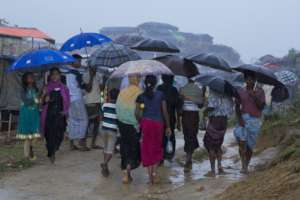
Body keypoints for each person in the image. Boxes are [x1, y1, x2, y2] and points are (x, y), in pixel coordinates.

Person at [136, 75, 171, 185]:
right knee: (156, 147)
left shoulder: (141, 97)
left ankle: (149, 176)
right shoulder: (160, 95)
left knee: (147, 148)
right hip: (158, 124)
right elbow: (165, 112)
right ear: (155, 83)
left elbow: (138, 113)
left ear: (145, 83)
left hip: (146, 124)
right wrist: (168, 126)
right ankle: (155, 174)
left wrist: (140, 121)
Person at [234, 72, 266, 174]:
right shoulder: (240, 91)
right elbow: (237, 107)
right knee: (241, 143)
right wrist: (240, 119)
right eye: (247, 79)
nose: (249, 81)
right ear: (245, 80)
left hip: (254, 121)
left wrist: (254, 96)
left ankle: (246, 165)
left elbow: (261, 107)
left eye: (251, 79)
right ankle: (243, 166)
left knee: (250, 146)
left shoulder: (260, 91)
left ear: (255, 80)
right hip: (243, 119)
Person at [116, 76, 142, 184]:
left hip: (122, 124)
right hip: (133, 125)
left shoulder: (122, 92)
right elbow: (140, 111)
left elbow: (117, 107)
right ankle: (127, 173)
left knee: (125, 147)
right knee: (133, 149)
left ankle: (126, 174)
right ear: (138, 79)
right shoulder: (140, 92)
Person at [65, 54, 93, 151]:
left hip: (70, 99)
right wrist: (90, 78)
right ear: (73, 61)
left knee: (73, 120)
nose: (80, 63)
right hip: (77, 98)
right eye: (79, 61)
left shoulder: (67, 73)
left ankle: (71, 143)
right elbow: (83, 86)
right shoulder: (76, 73)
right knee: (84, 120)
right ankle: (81, 142)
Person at [41, 68, 70, 163]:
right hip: (49, 115)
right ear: (50, 76)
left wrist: (65, 111)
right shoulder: (46, 87)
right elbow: (41, 102)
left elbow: (67, 102)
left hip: (60, 115)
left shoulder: (64, 88)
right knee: (49, 135)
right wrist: (45, 97)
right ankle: (51, 152)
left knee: (59, 135)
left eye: (57, 74)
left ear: (60, 75)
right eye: (53, 74)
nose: (55, 76)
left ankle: (55, 148)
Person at [203, 89, 234, 177]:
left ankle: (213, 171)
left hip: (214, 120)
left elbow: (212, 106)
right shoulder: (228, 94)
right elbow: (231, 110)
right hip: (223, 121)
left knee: (210, 145)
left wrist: (205, 111)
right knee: (218, 145)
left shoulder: (213, 92)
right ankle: (220, 167)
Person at [179, 79, 204, 172]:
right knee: (191, 136)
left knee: (188, 136)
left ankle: (188, 158)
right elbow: (201, 105)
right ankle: (188, 158)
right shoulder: (198, 89)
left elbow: (180, 105)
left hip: (187, 115)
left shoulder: (182, 89)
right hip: (192, 115)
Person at [157, 75, 181, 162]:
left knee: (160, 137)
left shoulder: (159, 88)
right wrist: (179, 122)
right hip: (171, 117)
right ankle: (169, 156)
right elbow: (178, 107)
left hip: (159, 117)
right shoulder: (174, 90)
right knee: (170, 137)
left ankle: (161, 158)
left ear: (162, 79)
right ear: (172, 80)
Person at [16, 72, 40, 160]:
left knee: (36, 134)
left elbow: (38, 102)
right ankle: (26, 155)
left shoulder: (36, 89)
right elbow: (26, 102)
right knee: (27, 136)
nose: (31, 79)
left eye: (32, 77)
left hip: (34, 113)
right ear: (25, 80)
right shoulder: (23, 90)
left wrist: (43, 94)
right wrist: (36, 98)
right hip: (26, 113)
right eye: (29, 77)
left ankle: (31, 147)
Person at [100, 89, 119, 177]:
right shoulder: (118, 107)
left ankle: (106, 167)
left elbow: (101, 116)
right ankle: (105, 163)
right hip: (112, 130)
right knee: (110, 151)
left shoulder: (105, 105)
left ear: (110, 96)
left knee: (105, 148)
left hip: (103, 129)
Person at [83, 67, 104, 149]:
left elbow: (102, 89)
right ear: (89, 66)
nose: (94, 68)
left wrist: (101, 83)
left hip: (98, 101)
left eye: (95, 66)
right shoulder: (85, 75)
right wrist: (91, 77)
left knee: (97, 123)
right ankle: (83, 143)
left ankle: (93, 143)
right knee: (87, 123)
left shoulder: (99, 75)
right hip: (89, 102)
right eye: (92, 66)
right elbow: (88, 89)